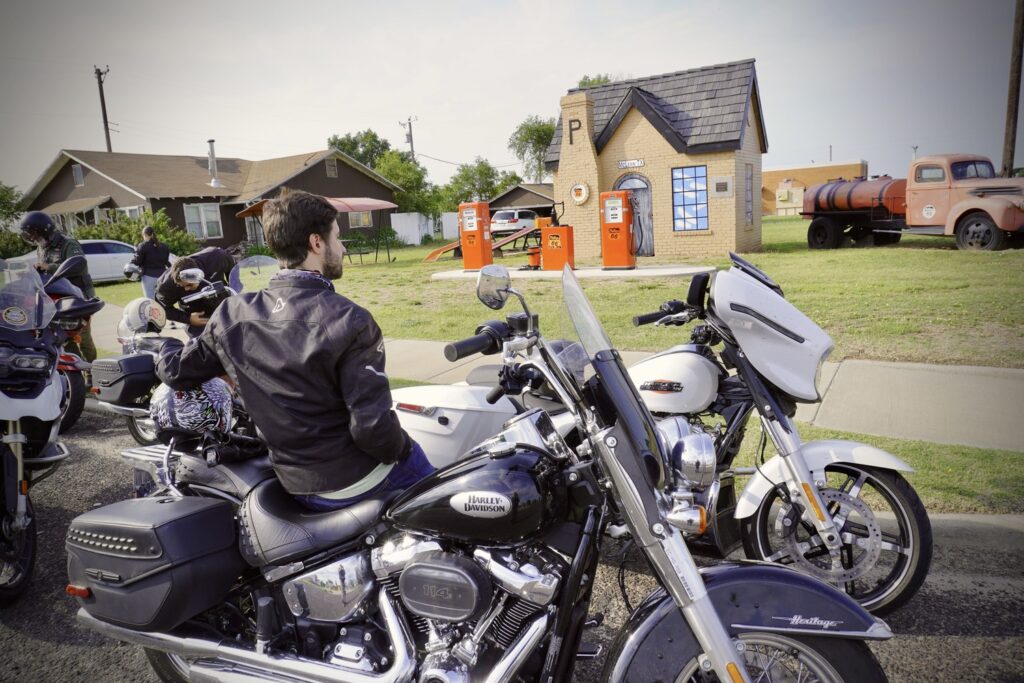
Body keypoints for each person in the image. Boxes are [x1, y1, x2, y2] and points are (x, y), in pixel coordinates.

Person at [157, 191, 432, 510]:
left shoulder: (232, 315)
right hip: (354, 480)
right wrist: (403, 450)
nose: (342, 248)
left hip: (295, 483)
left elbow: (176, 372)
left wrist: (165, 345)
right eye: (338, 238)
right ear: (317, 243)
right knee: (446, 499)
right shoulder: (350, 319)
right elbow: (372, 430)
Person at [18, 211, 97, 362]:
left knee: (82, 337)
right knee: (64, 338)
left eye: (33, 233)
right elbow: (44, 271)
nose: (32, 237)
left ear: (43, 230)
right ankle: (75, 370)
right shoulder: (41, 246)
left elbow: (79, 265)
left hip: (77, 297)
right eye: (29, 234)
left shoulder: (68, 244)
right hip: (56, 298)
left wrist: (49, 267)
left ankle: (91, 370)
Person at [154, 246, 234, 338]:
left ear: (199, 276)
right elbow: (163, 308)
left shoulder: (216, 257)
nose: (186, 289)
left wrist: (231, 284)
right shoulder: (165, 285)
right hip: (196, 315)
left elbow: (232, 267)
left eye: (189, 285)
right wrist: (188, 319)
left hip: (222, 306)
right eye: (181, 286)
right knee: (202, 345)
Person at [131, 226, 171, 299]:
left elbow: (138, 262)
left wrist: (132, 260)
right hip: (163, 276)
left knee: (150, 301)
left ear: (145, 235)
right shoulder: (164, 246)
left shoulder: (142, 246)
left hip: (148, 276)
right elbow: (166, 261)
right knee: (162, 300)